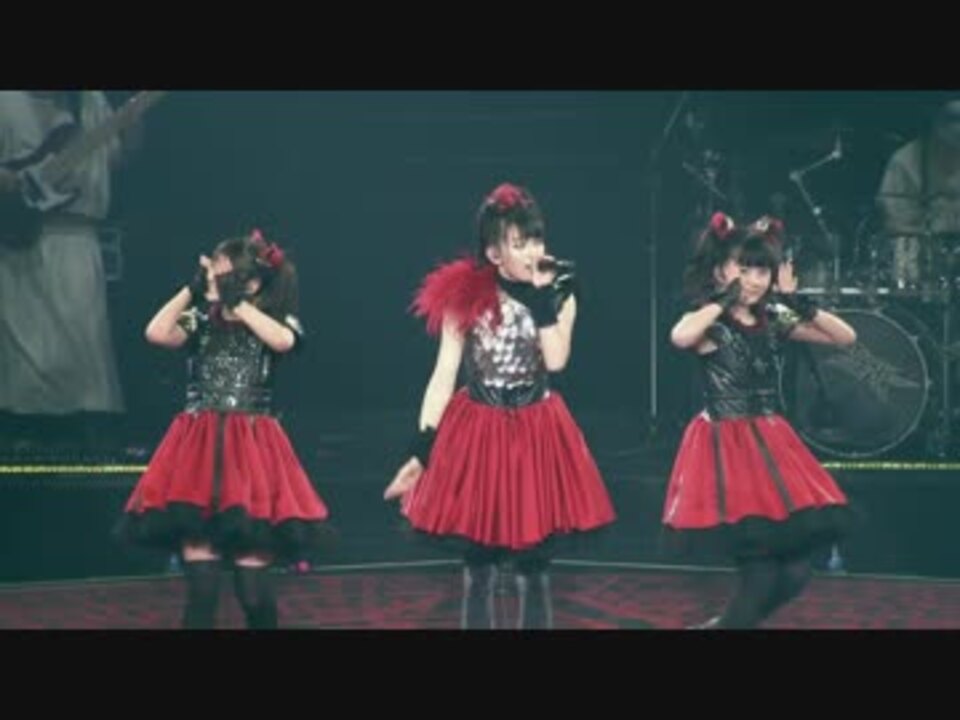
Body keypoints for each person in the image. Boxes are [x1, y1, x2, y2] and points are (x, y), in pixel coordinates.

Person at [384, 182, 616, 630]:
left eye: (537, 240)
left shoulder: (561, 292)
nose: (533, 251)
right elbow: (443, 374)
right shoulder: (465, 295)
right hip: (478, 429)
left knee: (535, 570)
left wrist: (543, 301)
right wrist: (421, 449)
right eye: (519, 243)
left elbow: (556, 360)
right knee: (479, 569)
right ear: (494, 253)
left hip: (537, 428)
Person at [116, 229, 329, 629]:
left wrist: (237, 302)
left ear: (251, 282)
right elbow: (156, 333)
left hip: (252, 453)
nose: (214, 279)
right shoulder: (200, 320)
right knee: (203, 590)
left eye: (223, 273)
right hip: (199, 454)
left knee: (253, 592)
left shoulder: (275, 320)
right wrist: (191, 289)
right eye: (212, 272)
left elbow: (283, 342)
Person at [664, 211, 857, 629]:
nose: (754, 280)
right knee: (761, 572)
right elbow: (680, 337)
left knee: (797, 572)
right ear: (721, 270)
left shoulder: (773, 319)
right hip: (727, 448)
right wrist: (722, 299)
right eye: (744, 269)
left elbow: (845, 337)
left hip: (771, 443)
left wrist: (795, 301)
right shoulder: (711, 321)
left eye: (762, 271)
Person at [0, 91, 134, 452]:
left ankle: (86, 429)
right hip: (22, 240)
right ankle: (25, 429)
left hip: (80, 238)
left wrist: (134, 122)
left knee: (85, 347)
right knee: (28, 349)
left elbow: (114, 159)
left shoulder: (90, 101)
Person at [877, 98, 960, 291]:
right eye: (953, 119)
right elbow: (895, 220)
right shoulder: (905, 161)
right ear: (936, 121)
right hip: (922, 257)